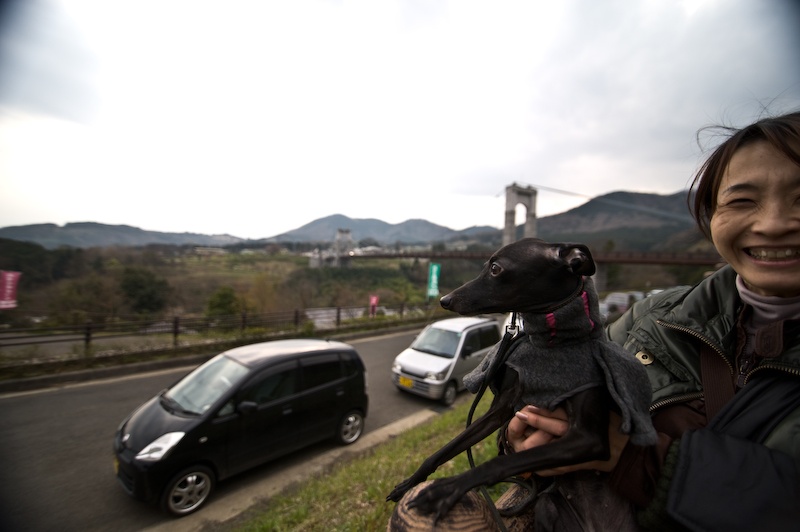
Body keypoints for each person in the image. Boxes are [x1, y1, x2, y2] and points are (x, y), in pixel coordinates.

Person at [390, 110, 800, 531]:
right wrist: (518, 440)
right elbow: (551, 402)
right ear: (712, 214)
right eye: (742, 200)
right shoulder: (652, 318)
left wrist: (635, 456)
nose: (772, 225)